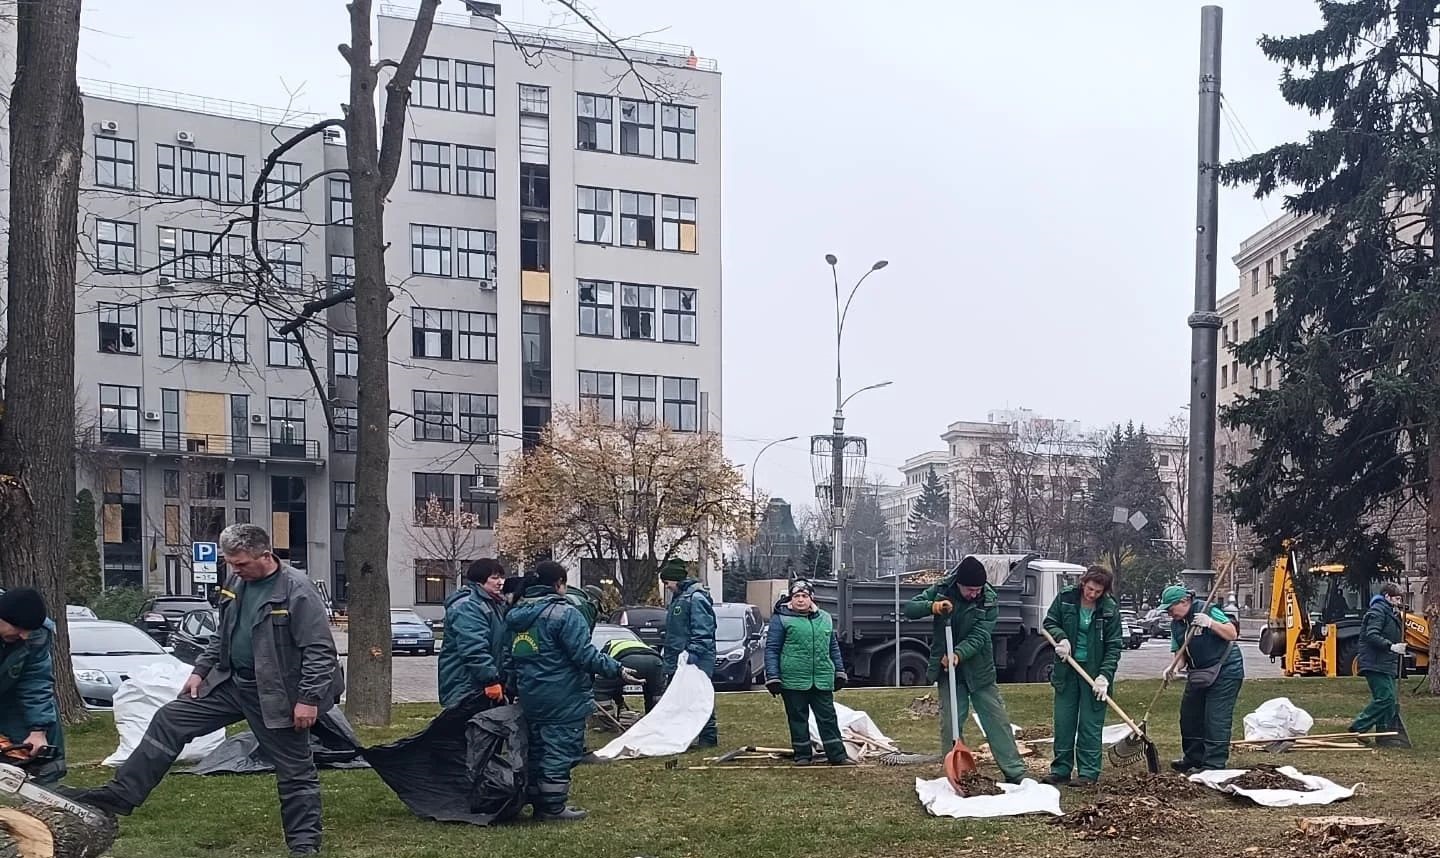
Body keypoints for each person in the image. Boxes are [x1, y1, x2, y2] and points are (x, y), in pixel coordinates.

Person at [61, 524, 342, 857]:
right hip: (231, 683)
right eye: (230, 563)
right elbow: (223, 633)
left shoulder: (297, 590)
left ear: (266, 555)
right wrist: (200, 671)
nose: (234, 570)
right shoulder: (238, 582)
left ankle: (304, 845)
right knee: (170, 720)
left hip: (279, 694)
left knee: (295, 770)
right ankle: (120, 795)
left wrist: (308, 700)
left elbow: (320, 651)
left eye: (240, 564)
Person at [506, 561, 639, 821]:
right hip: (562, 694)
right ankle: (552, 808)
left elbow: (510, 656)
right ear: (559, 584)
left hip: (530, 693)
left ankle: (533, 799)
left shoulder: (517, 614)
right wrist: (617, 669)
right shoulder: (566, 614)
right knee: (560, 749)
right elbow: (584, 655)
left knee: (536, 748)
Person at [904, 555, 1026, 783]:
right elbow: (909, 609)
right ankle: (955, 772)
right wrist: (933, 606)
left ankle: (1015, 772)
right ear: (958, 584)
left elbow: (980, 636)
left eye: (978, 589)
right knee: (951, 723)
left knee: (997, 720)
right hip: (949, 673)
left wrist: (958, 654)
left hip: (980, 671)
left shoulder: (989, 599)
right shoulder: (942, 589)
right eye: (970, 589)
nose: (974, 594)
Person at [1041, 567, 1123, 786]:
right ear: (1083, 583)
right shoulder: (1066, 598)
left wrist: (1104, 676)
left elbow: (1114, 646)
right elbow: (1049, 623)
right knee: (1064, 722)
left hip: (1094, 673)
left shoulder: (1109, 609)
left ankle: (1088, 773)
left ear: (1104, 591)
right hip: (1067, 670)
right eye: (1090, 589)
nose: (1092, 594)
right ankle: (1060, 769)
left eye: (1098, 591)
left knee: (1090, 724)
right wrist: (1061, 639)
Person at [763, 579, 853, 766]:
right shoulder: (781, 618)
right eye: (796, 596)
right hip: (793, 678)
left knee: (828, 717)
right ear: (790, 599)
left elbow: (833, 647)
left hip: (821, 677)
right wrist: (773, 676)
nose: (801, 600)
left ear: (811, 598)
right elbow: (772, 649)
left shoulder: (825, 618)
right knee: (798, 718)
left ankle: (837, 755)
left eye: (804, 596)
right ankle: (803, 755)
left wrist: (839, 671)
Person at [1160, 584, 1243, 773]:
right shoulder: (1177, 625)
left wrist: (1210, 623)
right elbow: (1180, 655)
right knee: (1189, 716)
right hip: (1199, 673)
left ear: (1184, 601)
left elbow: (1232, 633)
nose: (1169, 613)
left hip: (1226, 669)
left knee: (1216, 718)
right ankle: (1193, 759)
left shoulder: (1208, 610)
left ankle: (1213, 765)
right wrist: (1172, 668)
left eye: (1171, 609)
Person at [0, 588, 65, 784]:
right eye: (19, 629)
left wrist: (38, 730)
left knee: (39, 753)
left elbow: (36, 680)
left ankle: (47, 800)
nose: (25, 637)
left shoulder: (36, 633)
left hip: (11, 696)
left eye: (30, 631)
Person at [437, 558, 510, 711]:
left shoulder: (494, 604)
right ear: (479, 580)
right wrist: (490, 680)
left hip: (479, 684)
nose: (500, 582)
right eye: (494, 578)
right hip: (466, 685)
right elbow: (473, 647)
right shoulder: (468, 605)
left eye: (501, 577)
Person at [660, 558, 717, 747]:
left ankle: (708, 738)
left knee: (699, 696)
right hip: (680, 657)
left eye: (667, 583)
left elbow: (703, 629)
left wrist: (694, 652)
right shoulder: (681, 598)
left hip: (696, 658)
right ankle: (688, 735)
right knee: (684, 698)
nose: (666, 587)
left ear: (675, 580)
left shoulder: (695, 598)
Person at [1350, 581, 1409, 747]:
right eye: (1397, 599)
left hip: (1386, 662)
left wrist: (1400, 646)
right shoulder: (1377, 611)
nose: (1399, 602)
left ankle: (1384, 735)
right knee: (1385, 698)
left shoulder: (1390, 612)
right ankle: (1358, 727)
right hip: (1374, 662)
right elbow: (1371, 634)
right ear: (1387, 597)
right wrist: (1391, 646)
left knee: (1389, 700)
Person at [593, 636, 666, 714]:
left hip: (628, 660)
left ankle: (606, 721)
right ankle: (656, 718)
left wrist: (618, 701)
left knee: (601, 688)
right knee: (656, 694)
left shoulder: (607, 648)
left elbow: (609, 675)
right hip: (656, 662)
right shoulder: (636, 643)